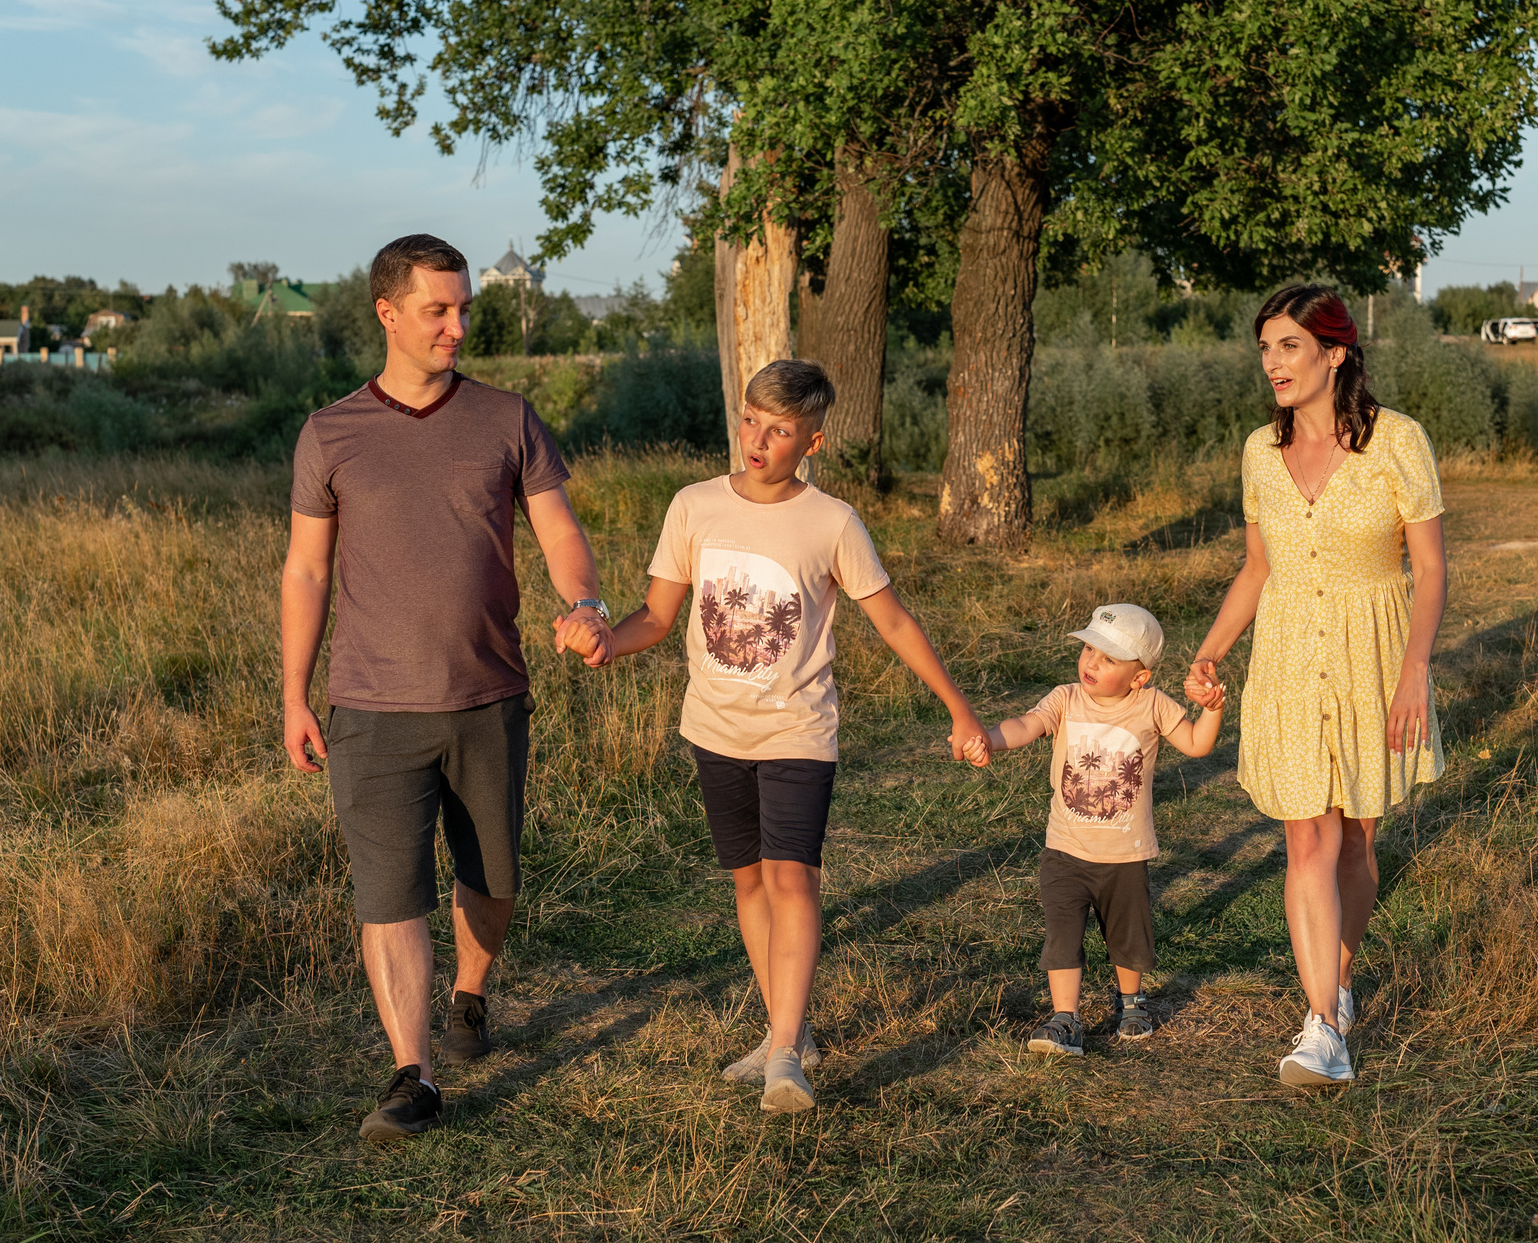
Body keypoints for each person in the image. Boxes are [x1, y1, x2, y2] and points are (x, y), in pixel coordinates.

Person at [282, 233, 613, 1146]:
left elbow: (558, 531)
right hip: (368, 706)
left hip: (487, 695)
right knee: (390, 895)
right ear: (388, 313)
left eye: (465, 307)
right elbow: (307, 574)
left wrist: (584, 603)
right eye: (439, 309)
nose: (458, 325)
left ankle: (471, 989)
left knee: (491, 880)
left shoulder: (507, 418)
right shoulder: (331, 431)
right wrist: (293, 693)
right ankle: (412, 1073)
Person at [589, 359, 988, 1114]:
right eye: (749, 420)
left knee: (792, 876)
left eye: (777, 429)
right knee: (747, 880)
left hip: (798, 730)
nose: (757, 439)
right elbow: (657, 615)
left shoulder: (831, 521)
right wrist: (610, 641)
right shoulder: (693, 506)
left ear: (813, 440)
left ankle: (782, 1056)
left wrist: (958, 708)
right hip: (715, 728)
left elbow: (893, 619)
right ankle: (789, 1034)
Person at [1184, 284, 1448, 1089]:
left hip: (1376, 654)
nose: (1272, 363)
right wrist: (1210, 651)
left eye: (1289, 346)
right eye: (1265, 348)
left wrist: (1414, 673)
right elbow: (1258, 567)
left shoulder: (1399, 441)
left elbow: (1431, 569)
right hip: (1290, 658)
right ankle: (1324, 1027)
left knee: (1359, 841)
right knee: (1308, 839)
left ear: (1335, 353)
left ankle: (1333, 985)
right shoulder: (1258, 452)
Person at [978, 603, 1226, 1056]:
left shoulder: (1152, 705)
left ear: (1139, 677)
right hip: (1065, 849)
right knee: (1062, 934)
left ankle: (1131, 1001)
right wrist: (987, 737)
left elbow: (1196, 743)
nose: (1092, 662)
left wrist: (1212, 709)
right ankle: (1065, 1018)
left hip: (1125, 853)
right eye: (1090, 648)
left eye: (1109, 658)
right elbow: (1026, 725)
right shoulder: (1065, 698)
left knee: (1128, 935)